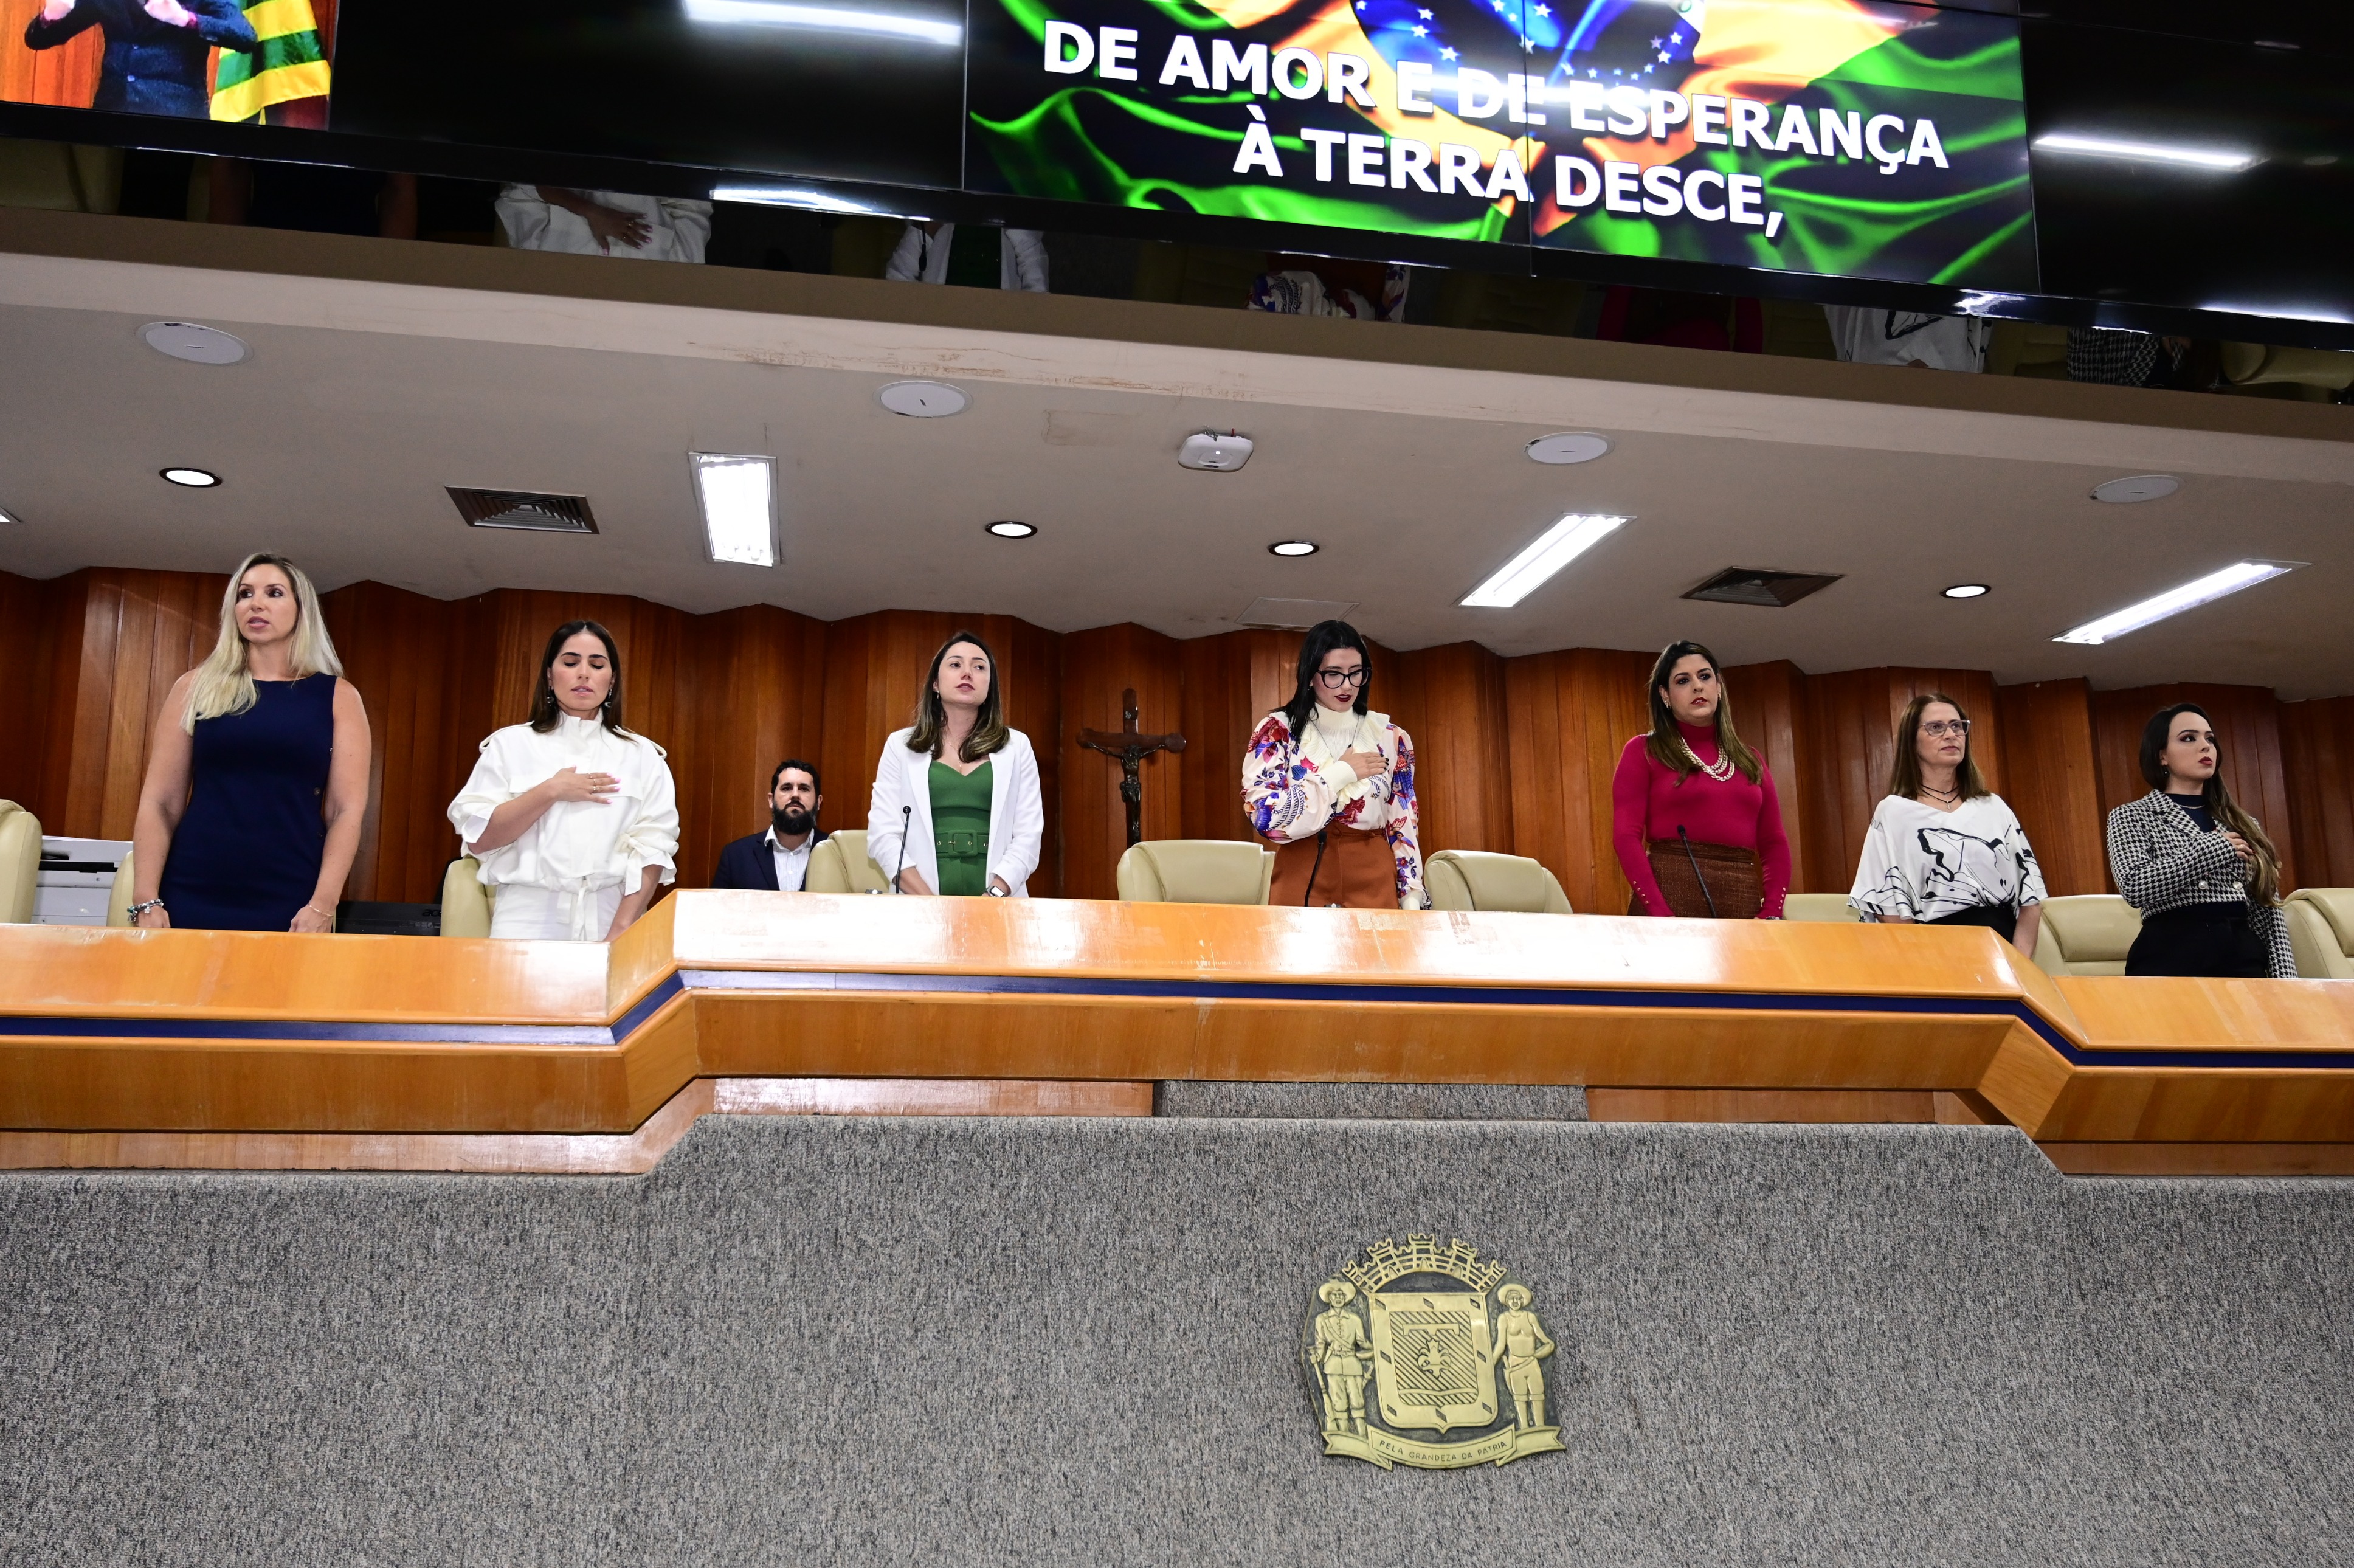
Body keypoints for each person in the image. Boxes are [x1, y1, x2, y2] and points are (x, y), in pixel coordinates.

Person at [127, 552, 370, 932]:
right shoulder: (195, 687)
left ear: (302, 610)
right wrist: (146, 899)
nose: (256, 603)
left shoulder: (339, 697)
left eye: (274, 593)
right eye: (245, 594)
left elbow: (345, 811)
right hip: (190, 887)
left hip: (293, 895)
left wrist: (323, 905)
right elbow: (160, 803)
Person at [447, 620, 678, 941]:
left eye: (597, 665)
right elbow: (479, 839)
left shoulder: (643, 755)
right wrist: (551, 791)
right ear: (549, 676)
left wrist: (620, 930)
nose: (583, 674)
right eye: (570, 663)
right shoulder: (509, 745)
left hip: (612, 914)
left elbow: (655, 847)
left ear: (612, 680)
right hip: (525, 915)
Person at [1241, 620, 1424, 910]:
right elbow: (1265, 818)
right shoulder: (1277, 731)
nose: (1347, 685)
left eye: (1356, 673)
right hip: (1301, 871)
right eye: (1333, 674)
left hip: (1373, 874)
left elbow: (1403, 820)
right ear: (1309, 675)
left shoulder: (1391, 736)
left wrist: (1411, 894)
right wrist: (1341, 774)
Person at [2105, 703, 2294, 979]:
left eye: (2210, 739)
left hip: (2242, 957)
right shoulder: (2131, 815)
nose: (2205, 746)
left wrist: (2286, 981)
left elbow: (2268, 912)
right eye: (2188, 738)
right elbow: (2135, 887)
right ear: (2161, 756)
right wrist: (2211, 849)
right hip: (2169, 955)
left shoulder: (2243, 823)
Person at [1849, 694, 2045, 951]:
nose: (1951, 735)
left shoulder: (1993, 807)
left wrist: (2019, 965)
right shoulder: (1893, 812)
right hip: (1933, 953)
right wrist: (1927, 963)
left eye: (1957, 726)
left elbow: (2031, 898)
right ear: (1912, 740)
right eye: (1936, 727)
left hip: (2002, 952)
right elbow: (1886, 904)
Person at [1612, 641, 1790, 919]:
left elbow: (1774, 842)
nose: (1697, 686)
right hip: (1668, 901)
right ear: (1665, 695)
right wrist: (1659, 913)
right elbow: (1626, 837)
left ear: (1718, 687)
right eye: (1683, 681)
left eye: (1705, 677)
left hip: (1742, 901)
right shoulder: (1643, 750)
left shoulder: (1751, 759)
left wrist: (1772, 911)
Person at [866, 631, 1044, 897]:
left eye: (979, 667)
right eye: (956, 664)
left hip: (999, 901)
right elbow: (883, 836)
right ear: (935, 683)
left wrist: (993, 897)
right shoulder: (900, 746)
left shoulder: (1017, 746)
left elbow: (1029, 836)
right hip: (919, 899)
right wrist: (931, 905)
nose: (967, 673)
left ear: (990, 686)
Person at [23, 0, 256, 119]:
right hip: (111, 114)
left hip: (176, 121)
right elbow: (38, 40)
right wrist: (51, 16)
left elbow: (245, 36)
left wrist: (185, 19)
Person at [495, 186, 712, 261]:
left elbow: (522, 191)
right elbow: (692, 203)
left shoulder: (542, 265)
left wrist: (588, 210)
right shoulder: (677, 274)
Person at [711, 759, 826, 892]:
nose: (795, 795)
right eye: (787, 788)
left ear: (818, 802)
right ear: (771, 800)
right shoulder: (735, 856)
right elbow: (716, 905)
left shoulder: (838, 854)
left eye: (804, 789)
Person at [884, 221, 1047, 291]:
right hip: (1008, 218)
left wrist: (926, 229)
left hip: (943, 211)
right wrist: (1015, 225)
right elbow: (1036, 292)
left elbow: (898, 281)